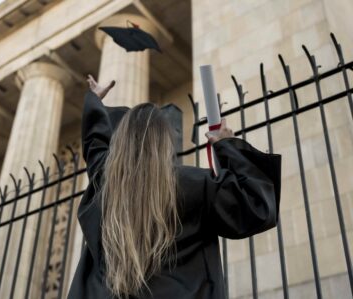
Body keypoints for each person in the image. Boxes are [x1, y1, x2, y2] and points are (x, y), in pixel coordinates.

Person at [67, 75, 282, 299]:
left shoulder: (105, 182)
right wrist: (227, 146)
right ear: (164, 143)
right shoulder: (194, 185)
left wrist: (94, 100)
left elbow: (95, 143)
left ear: (119, 142)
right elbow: (256, 205)